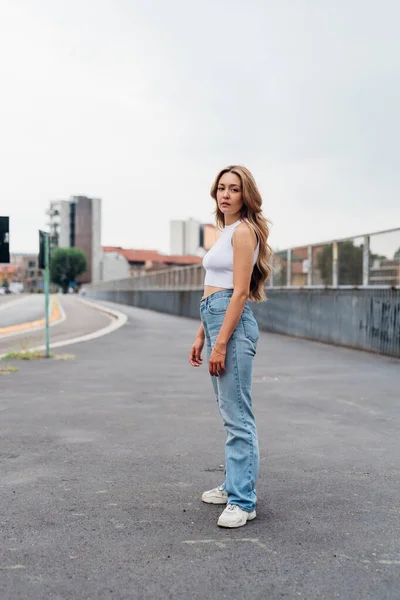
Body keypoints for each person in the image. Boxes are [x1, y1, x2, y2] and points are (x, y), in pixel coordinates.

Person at [189, 165, 272, 528]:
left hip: (232, 328)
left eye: (233, 189)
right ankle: (233, 484)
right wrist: (201, 334)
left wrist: (220, 342)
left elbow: (238, 292)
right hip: (215, 319)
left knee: (239, 415)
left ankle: (243, 501)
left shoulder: (243, 233)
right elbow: (214, 284)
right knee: (229, 412)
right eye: (221, 188)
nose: (225, 194)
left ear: (245, 195)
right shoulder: (225, 232)